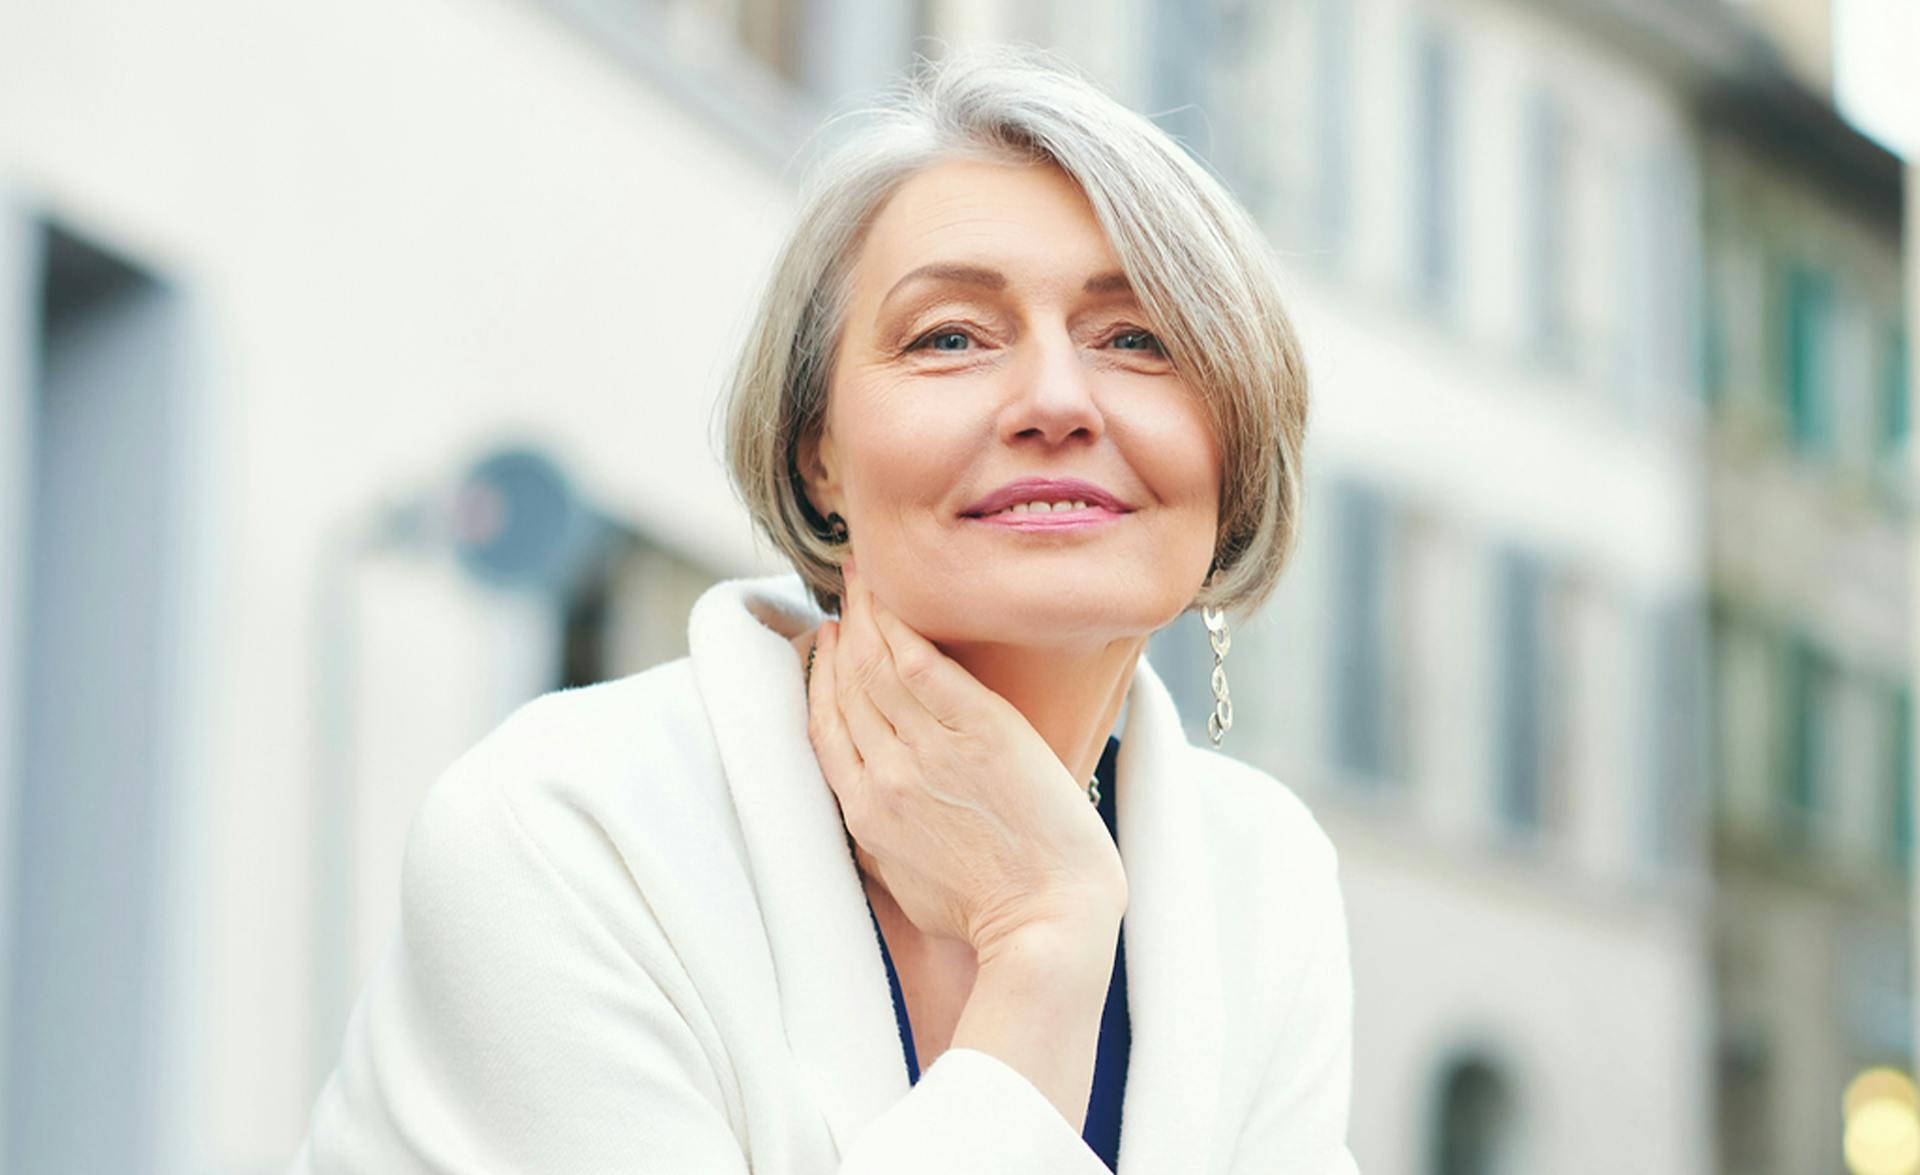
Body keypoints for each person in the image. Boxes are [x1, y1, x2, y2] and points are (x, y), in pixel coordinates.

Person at [289, 44, 1357, 1174]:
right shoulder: (566, 830)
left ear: (1235, 450)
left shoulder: (1265, 874)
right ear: (819, 461)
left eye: (1136, 338)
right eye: (950, 335)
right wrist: (1044, 943)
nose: (1055, 399)